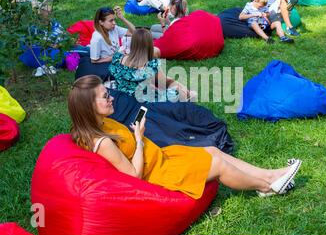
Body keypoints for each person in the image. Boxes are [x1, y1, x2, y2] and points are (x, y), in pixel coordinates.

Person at [68, 74, 303, 199]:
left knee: (211, 151)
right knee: (219, 164)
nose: (111, 98)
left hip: (161, 157)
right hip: (158, 173)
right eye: (104, 96)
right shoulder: (103, 141)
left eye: (108, 93)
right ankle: (269, 186)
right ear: (88, 107)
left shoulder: (100, 123)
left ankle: (271, 176)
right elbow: (133, 176)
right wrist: (138, 138)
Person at [109, 28, 196, 102]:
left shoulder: (117, 59)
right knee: (184, 92)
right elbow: (165, 82)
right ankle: (188, 95)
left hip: (123, 96)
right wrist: (184, 90)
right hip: (145, 101)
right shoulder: (151, 66)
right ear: (149, 45)